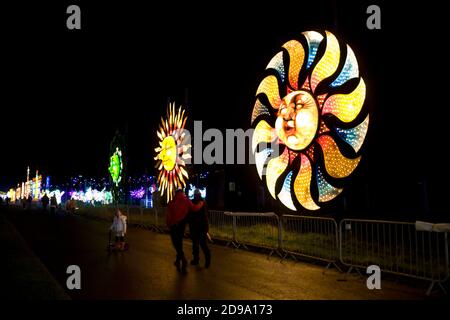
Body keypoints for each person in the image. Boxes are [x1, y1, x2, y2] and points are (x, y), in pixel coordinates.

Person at [166, 189, 204, 272]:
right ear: (182, 193)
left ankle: (183, 260)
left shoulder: (172, 202)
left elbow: (168, 215)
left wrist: (168, 225)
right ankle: (177, 260)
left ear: (175, 194)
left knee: (176, 243)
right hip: (182, 225)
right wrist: (201, 204)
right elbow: (194, 208)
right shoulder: (186, 200)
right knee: (179, 242)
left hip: (173, 225)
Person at [188, 189, 211, 268]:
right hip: (198, 227)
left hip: (199, 227)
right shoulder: (202, 202)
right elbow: (206, 215)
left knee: (200, 244)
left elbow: (204, 215)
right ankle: (198, 260)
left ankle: (201, 260)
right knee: (198, 244)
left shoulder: (199, 203)